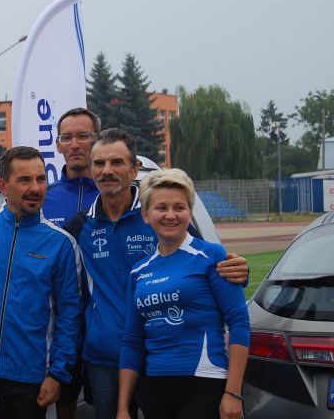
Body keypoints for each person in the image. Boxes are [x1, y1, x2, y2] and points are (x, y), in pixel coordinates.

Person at [64, 129, 249, 419]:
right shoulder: (79, 226)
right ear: (91, 169)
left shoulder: (161, 214)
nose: (107, 170)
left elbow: (202, 263)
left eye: (117, 162)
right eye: (99, 163)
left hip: (163, 357)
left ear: (134, 168)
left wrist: (238, 271)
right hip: (105, 357)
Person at [0, 146, 82, 419]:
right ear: (3, 186)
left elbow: (70, 316)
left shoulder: (61, 243)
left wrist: (58, 374)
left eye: (41, 179)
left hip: (28, 375)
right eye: (24, 180)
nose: (35, 188)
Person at [117, 168, 250, 419]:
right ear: (145, 214)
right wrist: (123, 408)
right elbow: (132, 341)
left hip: (205, 381)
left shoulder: (212, 256)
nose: (171, 215)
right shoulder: (139, 271)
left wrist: (233, 393)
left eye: (179, 207)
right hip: (155, 385)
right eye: (161, 208)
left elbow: (239, 322)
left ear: (189, 212)